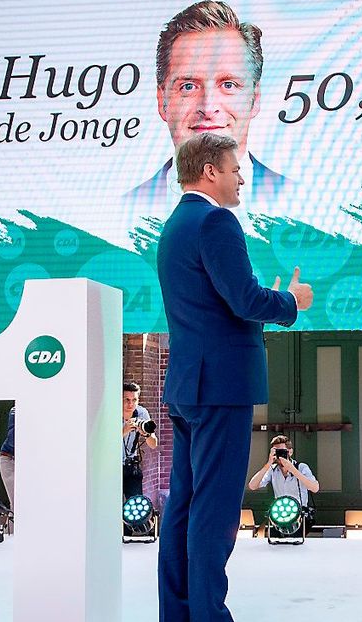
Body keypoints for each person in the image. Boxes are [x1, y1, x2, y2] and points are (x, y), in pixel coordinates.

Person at [156, 131, 313, 622]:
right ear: (209, 172)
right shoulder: (217, 221)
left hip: (189, 385)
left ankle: (178, 613)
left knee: (183, 504)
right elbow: (244, 300)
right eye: (234, 168)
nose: (241, 176)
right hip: (221, 387)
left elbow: (220, 303)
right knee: (215, 512)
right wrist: (291, 302)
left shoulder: (176, 224)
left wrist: (251, 300)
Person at [123, 0, 287, 236]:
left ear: (255, 98)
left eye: (228, 84)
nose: (208, 108)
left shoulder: (299, 197)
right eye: (188, 86)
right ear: (162, 101)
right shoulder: (130, 208)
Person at [247, 435, 320, 534]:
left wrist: (292, 470)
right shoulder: (272, 470)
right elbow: (252, 485)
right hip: (280, 514)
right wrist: (268, 463)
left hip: (299, 515)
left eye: (282, 451)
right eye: (276, 452)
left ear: (290, 452)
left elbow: (315, 488)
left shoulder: (301, 467)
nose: (280, 455)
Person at [123, 381, 159, 500]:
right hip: (110, 466)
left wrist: (146, 434)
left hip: (130, 465)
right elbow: (105, 442)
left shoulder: (141, 413)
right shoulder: (111, 412)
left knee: (136, 505)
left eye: (134, 400)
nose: (130, 404)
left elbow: (153, 444)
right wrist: (124, 430)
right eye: (126, 400)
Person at [0, 406, 16, 511]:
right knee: (17, 502)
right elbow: (12, 440)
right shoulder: (15, 410)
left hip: (31, 461)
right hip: (9, 458)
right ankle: (12, 527)